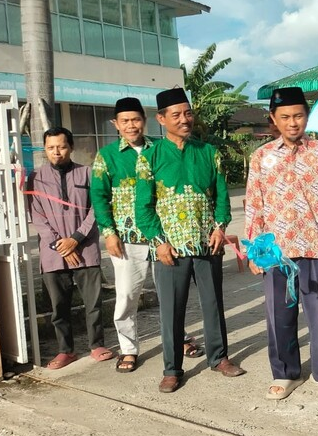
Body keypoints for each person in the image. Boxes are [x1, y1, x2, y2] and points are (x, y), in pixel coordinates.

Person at [135, 88, 245, 393]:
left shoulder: (208, 152)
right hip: (169, 249)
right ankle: (172, 369)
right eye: (176, 115)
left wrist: (220, 228)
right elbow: (143, 207)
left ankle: (219, 358)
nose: (184, 119)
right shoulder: (149, 157)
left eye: (188, 113)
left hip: (207, 244)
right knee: (171, 310)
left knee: (213, 303)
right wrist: (158, 242)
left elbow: (221, 196)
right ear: (161, 119)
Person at [245, 86, 318, 400]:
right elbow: (254, 205)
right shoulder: (261, 157)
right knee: (279, 313)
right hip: (275, 251)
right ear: (273, 118)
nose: (293, 123)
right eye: (285, 117)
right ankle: (285, 372)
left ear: (307, 116)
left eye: (299, 116)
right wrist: (254, 251)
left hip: (317, 246)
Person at [91, 97, 202, 373]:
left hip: (165, 237)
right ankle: (128, 348)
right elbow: (99, 197)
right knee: (127, 295)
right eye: (125, 121)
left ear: (145, 120)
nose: (132, 126)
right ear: (115, 124)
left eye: (136, 119)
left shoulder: (160, 148)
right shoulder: (107, 156)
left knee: (171, 294)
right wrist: (109, 233)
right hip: (128, 238)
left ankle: (178, 338)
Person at [27, 127, 112, 370]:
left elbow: (97, 208)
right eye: (51, 147)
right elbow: (36, 215)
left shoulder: (87, 173)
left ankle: (97, 345)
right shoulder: (36, 178)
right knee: (58, 307)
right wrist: (60, 245)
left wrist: (75, 239)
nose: (57, 152)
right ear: (45, 149)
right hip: (53, 253)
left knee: (93, 303)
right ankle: (66, 350)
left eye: (62, 146)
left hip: (85, 249)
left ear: (71, 147)